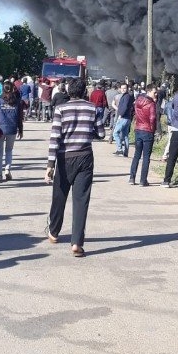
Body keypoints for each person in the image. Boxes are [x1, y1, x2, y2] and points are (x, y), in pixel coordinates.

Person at [45, 77, 105, 257]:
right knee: (81, 200)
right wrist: (88, 131)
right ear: (84, 91)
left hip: (64, 158)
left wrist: (50, 165)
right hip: (85, 157)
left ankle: (54, 232)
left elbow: (55, 137)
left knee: (59, 196)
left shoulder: (60, 109)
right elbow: (101, 133)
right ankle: (77, 243)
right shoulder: (92, 108)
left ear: (68, 91)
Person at [0, 80, 24, 182]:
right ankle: (7, 169)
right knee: (9, 150)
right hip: (12, 128)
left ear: (2, 89)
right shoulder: (17, 102)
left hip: (0, 128)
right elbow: (19, 117)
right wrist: (21, 130)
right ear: (13, 88)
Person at [128, 85, 157, 186]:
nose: (156, 94)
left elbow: (134, 113)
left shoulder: (138, 101)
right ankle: (143, 180)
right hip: (147, 131)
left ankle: (132, 177)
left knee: (136, 155)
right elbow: (152, 118)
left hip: (138, 129)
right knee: (146, 157)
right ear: (149, 92)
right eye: (154, 92)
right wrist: (153, 130)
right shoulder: (151, 104)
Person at [112, 83, 135, 158]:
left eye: (124, 88)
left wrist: (120, 115)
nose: (123, 89)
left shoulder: (126, 96)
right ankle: (125, 152)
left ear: (127, 88)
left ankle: (119, 149)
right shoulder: (127, 96)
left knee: (115, 133)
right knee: (125, 135)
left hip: (123, 118)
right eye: (122, 88)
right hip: (127, 118)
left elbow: (124, 107)